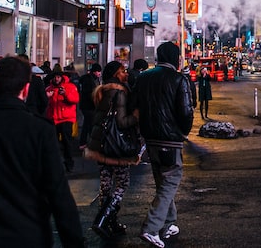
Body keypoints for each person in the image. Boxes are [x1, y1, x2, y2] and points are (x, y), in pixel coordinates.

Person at [0, 56, 85, 247]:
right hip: (28, 232)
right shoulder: (39, 130)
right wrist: (74, 241)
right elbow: (58, 193)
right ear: (25, 89)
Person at [134, 42, 194, 248]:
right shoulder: (179, 79)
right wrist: (182, 132)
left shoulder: (143, 78)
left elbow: (135, 107)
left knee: (163, 180)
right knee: (170, 181)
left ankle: (168, 223)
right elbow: (186, 112)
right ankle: (151, 228)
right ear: (176, 58)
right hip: (170, 138)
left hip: (150, 138)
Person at [87, 61, 139, 240]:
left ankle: (110, 222)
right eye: (123, 71)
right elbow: (122, 122)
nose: (126, 74)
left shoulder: (101, 91)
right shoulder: (120, 92)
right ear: (116, 74)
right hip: (116, 146)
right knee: (122, 183)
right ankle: (102, 219)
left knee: (105, 184)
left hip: (100, 143)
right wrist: (136, 116)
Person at [46, 70, 80, 172]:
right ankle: (55, 164)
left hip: (66, 119)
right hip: (53, 119)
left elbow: (75, 100)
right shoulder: (49, 89)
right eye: (55, 77)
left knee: (67, 143)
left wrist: (65, 94)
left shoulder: (70, 87)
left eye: (58, 77)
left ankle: (69, 163)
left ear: (62, 77)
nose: (57, 79)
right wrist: (47, 97)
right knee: (54, 144)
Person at [78, 63, 102, 149]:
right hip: (89, 106)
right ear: (94, 72)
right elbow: (89, 94)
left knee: (88, 124)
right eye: (98, 71)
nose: (99, 73)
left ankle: (84, 142)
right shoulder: (89, 80)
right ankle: (86, 142)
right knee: (89, 124)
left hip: (87, 106)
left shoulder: (90, 79)